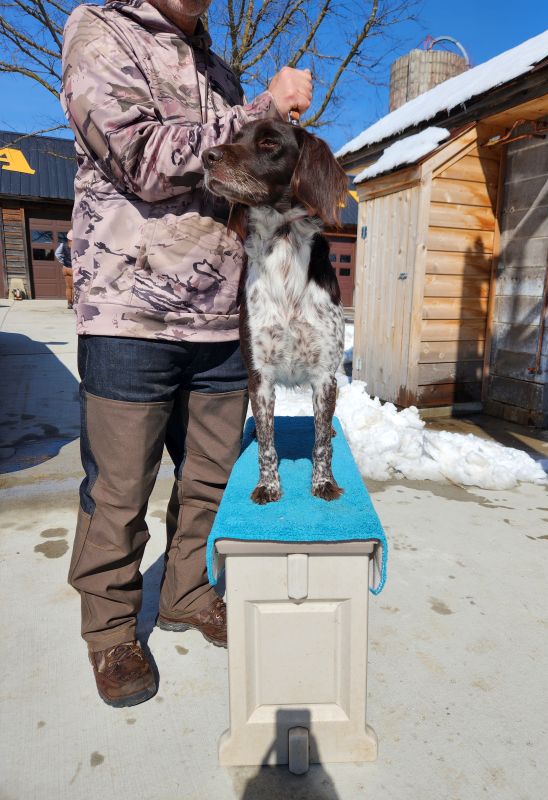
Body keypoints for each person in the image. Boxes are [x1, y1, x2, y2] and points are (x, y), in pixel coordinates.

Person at [61, 0, 312, 708]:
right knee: (118, 492)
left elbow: (242, 180)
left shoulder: (219, 72)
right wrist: (264, 110)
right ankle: (111, 631)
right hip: (131, 314)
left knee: (209, 482)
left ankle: (187, 592)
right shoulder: (100, 29)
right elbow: (141, 159)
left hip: (220, 320)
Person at [55, 230, 73, 309]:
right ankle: (75, 303)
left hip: (65, 268)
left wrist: (63, 261)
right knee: (75, 287)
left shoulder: (63, 244)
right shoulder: (77, 245)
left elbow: (57, 254)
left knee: (68, 287)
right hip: (73, 269)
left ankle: (69, 303)